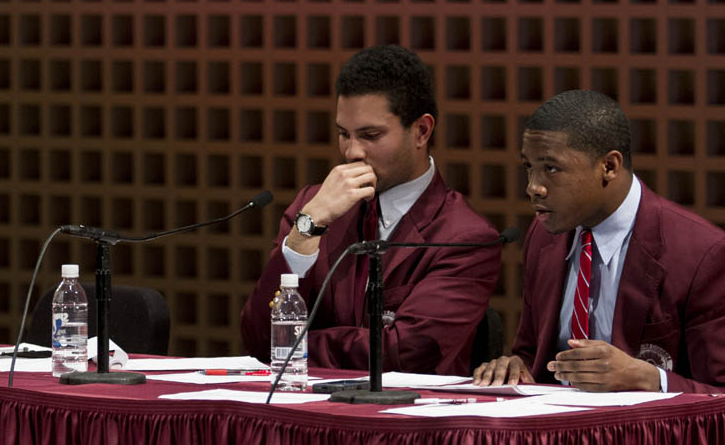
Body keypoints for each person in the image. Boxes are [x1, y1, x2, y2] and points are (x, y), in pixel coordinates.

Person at [240, 45, 501, 375]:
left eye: (370, 135)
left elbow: (402, 355)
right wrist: (305, 231)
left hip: (409, 419)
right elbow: (259, 340)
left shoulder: (465, 236)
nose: (352, 152)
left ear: (422, 130)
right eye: (343, 134)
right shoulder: (314, 207)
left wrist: (298, 345)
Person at [473, 90, 725, 393]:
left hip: (644, 435)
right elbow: (532, 356)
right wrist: (514, 366)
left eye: (551, 168)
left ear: (609, 166)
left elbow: (717, 395)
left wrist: (649, 378)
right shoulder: (544, 237)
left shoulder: (702, 254)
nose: (533, 187)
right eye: (529, 167)